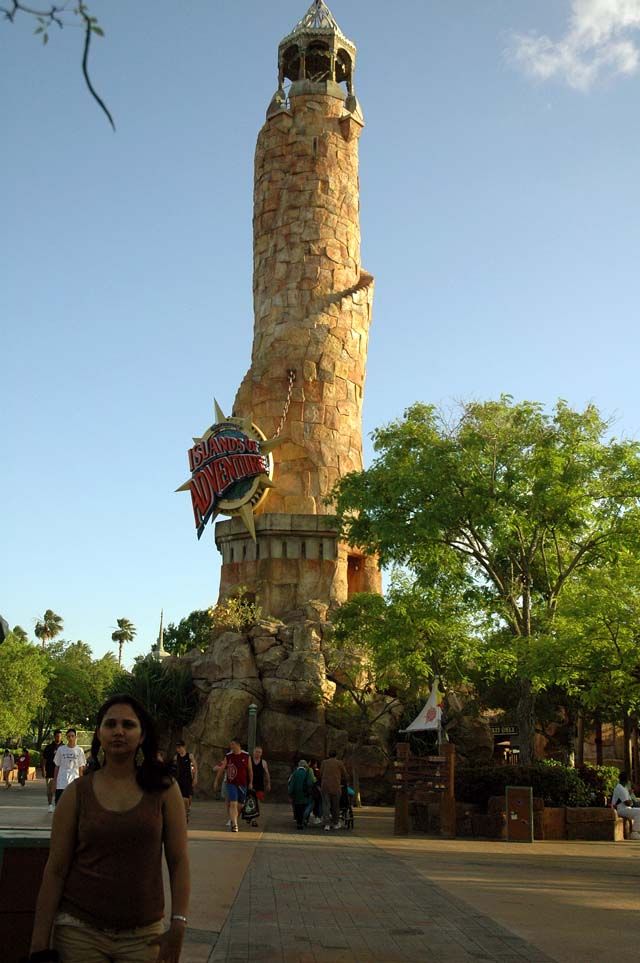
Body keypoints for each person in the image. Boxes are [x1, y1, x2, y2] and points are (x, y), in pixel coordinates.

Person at [28, 692, 190, 963]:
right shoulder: (77, 793)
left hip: (143, 936)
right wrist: (38, 944)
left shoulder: (164, 789)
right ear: (99, 734)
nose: (119, 731)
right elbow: (55, 869)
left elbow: (178, 860)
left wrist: (179, 923)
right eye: (110, 724)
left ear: (142, 735)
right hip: (79, 933)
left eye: (128, 725)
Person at [213, 737, 252, 833]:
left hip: (242, 784)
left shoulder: (246, 756)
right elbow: (221, 769)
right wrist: (216, 781)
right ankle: (234, 824)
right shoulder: (228, 756)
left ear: (238, 745)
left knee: (241, 805)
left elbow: (250, 771)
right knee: (233, 803)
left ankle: (233, 818)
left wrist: (251, 782)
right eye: (231, 744)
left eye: (232, 744)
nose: (231, 746)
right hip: (231, 783)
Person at [53, 728, 86, 805]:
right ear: (66, 737)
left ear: (75, 737)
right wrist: (55, 782)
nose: (71, 738)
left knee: (73, 804)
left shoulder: (79, 750)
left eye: (72, 736)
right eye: (69, 736)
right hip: (61, 782)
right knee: (59, 803)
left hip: (74, 781)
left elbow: (81, 768)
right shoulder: (61, 749)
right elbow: (57, 766)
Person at [320, 750, 348, 831]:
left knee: (326, 806)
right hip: (336, 787)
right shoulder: (340, 763)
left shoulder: (324, 763)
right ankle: (335, 823)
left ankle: (327, 824)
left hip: (325, 787)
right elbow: (345, 774)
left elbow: (321, 773)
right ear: (336, 755)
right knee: (336, 806)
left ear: (329, 755)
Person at [173, 741, 197, 823]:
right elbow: (174, 769)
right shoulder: (176, 757)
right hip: (179, 780)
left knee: (188, 799)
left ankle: (187, 811)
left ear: (184, 747)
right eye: (177, 748)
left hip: (188, 780)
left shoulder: (190, 756)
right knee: (183, 799)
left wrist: (195, 778)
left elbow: (195, 768)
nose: (178, 749)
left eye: (179, 747)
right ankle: (184, 814)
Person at [611, 770, 640, 839]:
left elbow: (629, 801)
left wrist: (630, 798)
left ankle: (637, 832)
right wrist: (630, 802)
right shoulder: (620, 788)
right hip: (620, 810)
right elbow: (628, 803)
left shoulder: (624, 788)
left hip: (625, 808)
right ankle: (634, 833)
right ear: (627, 781)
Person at [288, 760, 313, 830]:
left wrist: (290, 793)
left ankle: (299, 823)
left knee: (298, 809)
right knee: (304, 807)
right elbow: (309, 783)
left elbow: (292, 784)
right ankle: (304, 820)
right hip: (305, 794)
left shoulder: (295, 773)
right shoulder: (306, 773)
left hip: (297, 795)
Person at [42, 729, 63, 812]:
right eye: (57, 736)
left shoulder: (64, 747)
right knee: (50, 790)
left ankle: (59, 805)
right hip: (50, 772)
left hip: (61, 773)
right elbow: (44, 759)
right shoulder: (49, 747)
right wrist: (43, 770)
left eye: (60, 736)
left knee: (60, 790)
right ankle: (50, 805)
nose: (58, 737)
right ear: (54, 737)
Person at [250, 746, 270, 826]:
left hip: (259, 785)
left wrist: (268, 783)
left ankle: (254, 819)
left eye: (259, 752)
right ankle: (250, 816)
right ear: (253, 752)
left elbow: (267, 773)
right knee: (249, 801)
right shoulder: (249, 760)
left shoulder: (263, 762)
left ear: (261, 754)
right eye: (256, 752)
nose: (257, 753)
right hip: (250, 784)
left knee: (257, 802)